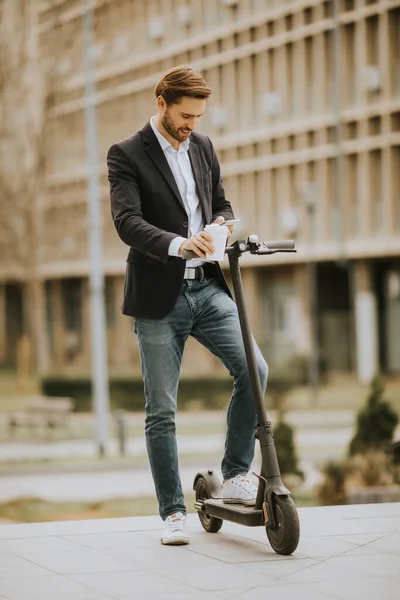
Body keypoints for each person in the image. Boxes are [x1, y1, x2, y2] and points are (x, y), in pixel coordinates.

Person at [107, 65, 268, 546]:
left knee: (255, 370)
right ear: (161, 102)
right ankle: (172, 513)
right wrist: (180, 244)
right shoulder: (127, 154)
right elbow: (126, 222)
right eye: (184, 115)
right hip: (159, 295)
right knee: (161, 410)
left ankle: (237, 471)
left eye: (198, 116)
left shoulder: (203, 147)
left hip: (208, 288)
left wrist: (222, 226)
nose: (192, 124)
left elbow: (221, 204)